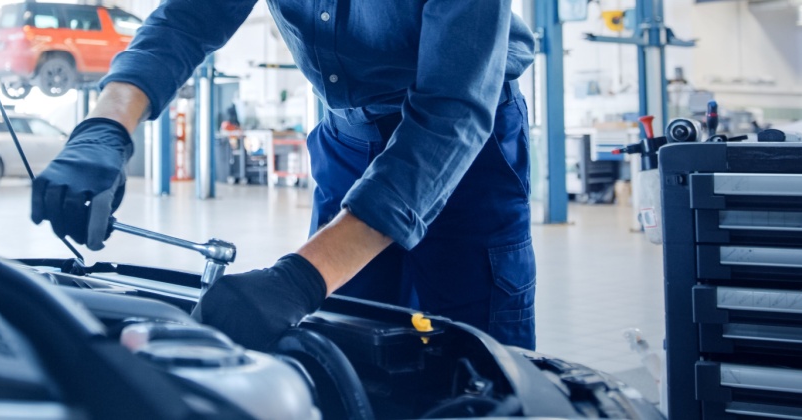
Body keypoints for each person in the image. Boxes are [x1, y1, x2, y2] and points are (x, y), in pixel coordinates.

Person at [31, 0, 537, 352]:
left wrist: (302, 276)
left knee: (478, 352)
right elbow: (185, 20)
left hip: (469, 147)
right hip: (349, 138)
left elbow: (452, 111)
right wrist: (104, 128)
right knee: (352, 340)